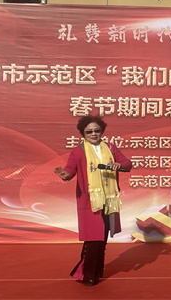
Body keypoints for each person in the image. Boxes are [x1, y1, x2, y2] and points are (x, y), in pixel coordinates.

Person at [54, 116, 132, 286]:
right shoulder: (78, 152)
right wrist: (65, 175)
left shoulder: (111, 148)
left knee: (102, 238)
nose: (93, 134)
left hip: (109, 199)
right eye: (89, 131)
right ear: (83, 133)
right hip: (90, 200)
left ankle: (95, 272)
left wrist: (119, 165)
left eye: (97, 130)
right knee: (94, 238)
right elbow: (69, 170)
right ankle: (87, 274)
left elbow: (127, 163)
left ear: (102, 131)